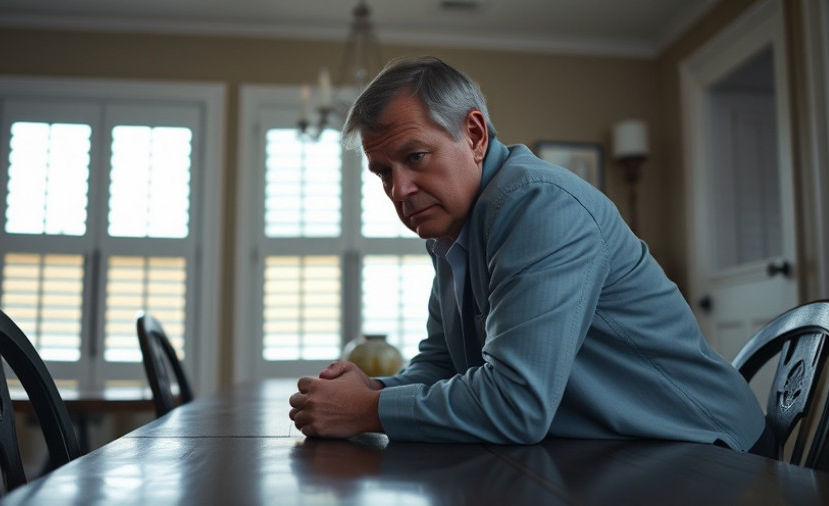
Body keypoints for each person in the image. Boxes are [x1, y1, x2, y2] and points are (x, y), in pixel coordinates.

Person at [288, 56, 765, 450]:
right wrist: (371, 390)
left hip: (712, 453)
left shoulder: (538, 204)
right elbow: (444, 364)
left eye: (414, 157)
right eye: (383, 173)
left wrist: (366, 410)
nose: (400, 190)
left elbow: (516, 404)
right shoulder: (455, 231)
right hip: (619, 452)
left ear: (474, 135)